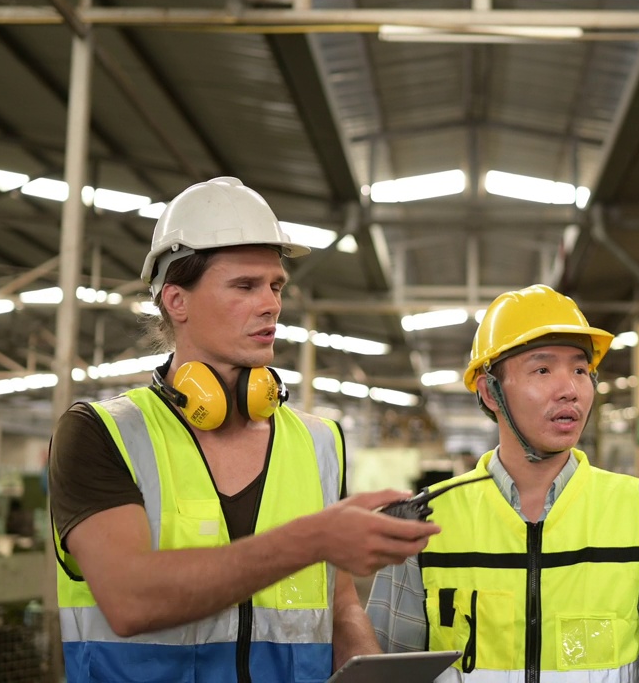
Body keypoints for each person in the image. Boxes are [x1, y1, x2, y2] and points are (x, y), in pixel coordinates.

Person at [49, 177, 440, 682]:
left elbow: (340, 606)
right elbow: (130, 600)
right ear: (176, 301)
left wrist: (373, 673)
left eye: (275, 285)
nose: (271, 304)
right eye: (245, 286)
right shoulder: (103, 434)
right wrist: (315, 538)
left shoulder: (320, 441)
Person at [367, 285, 639, 682]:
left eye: (580, 370)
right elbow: (385, 670)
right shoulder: (424, 523)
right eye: (543, 370)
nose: (570, 390)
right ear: (490, 391)